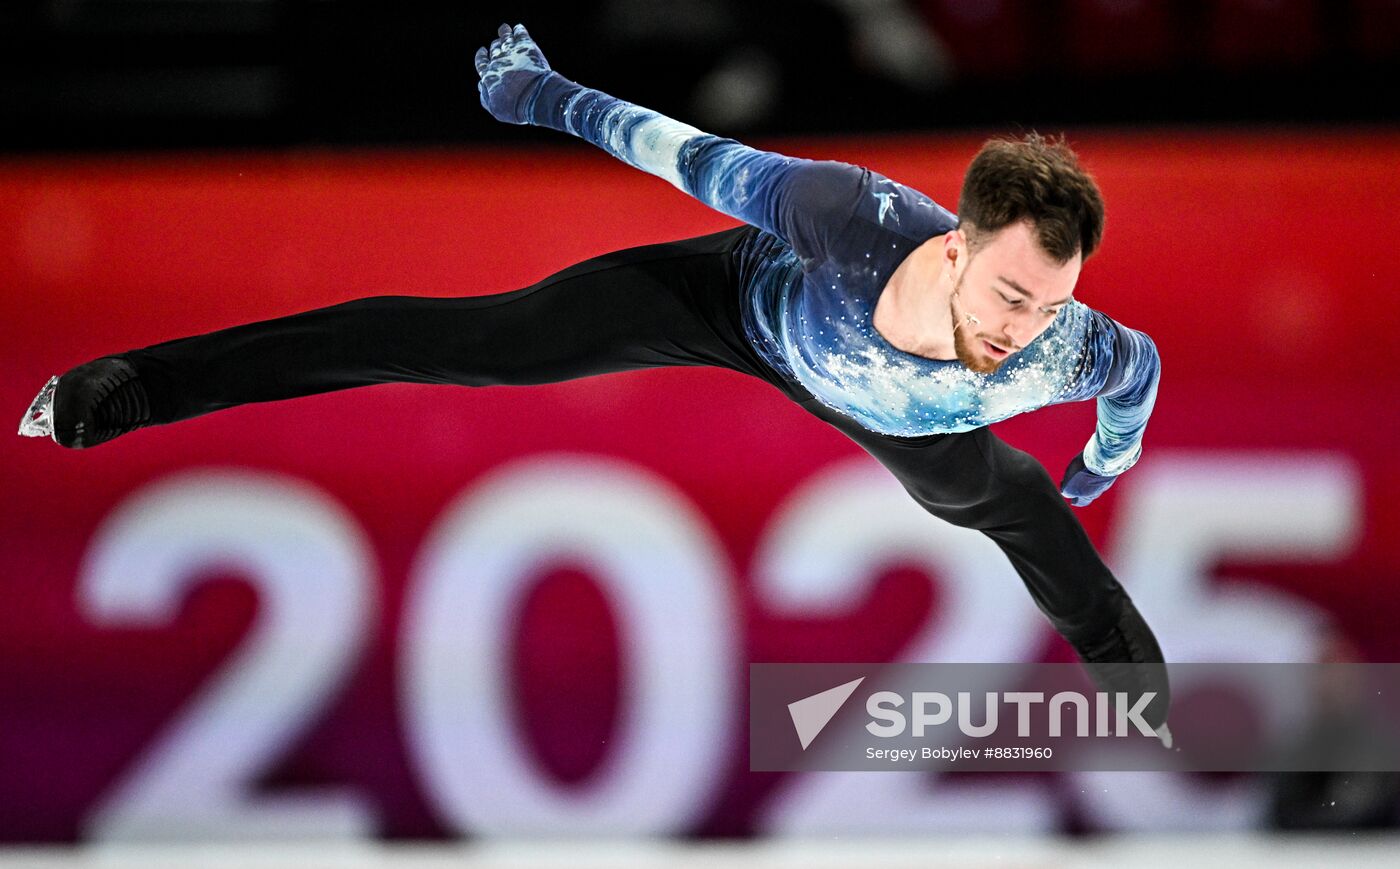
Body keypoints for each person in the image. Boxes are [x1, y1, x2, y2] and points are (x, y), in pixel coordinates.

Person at [19, 24, 1171, 740]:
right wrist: (541, 94)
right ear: (959, 245)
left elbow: (1139, 372)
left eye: (1053, 305)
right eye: (1012, 298)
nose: (1026, 333)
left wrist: (1099, 462)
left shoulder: (1071, 344)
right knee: (473, 342)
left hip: (907, 420)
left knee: (1021, 510)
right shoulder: (843, 215)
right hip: (729, 308)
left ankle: (1145, 696)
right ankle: (130, 389)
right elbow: (675, 148)